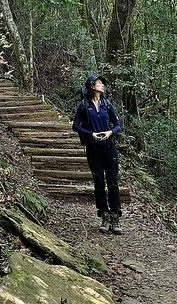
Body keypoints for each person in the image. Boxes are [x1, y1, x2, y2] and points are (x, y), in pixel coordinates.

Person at [72, 74, 123, 234]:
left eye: (101, 83)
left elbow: (117, 125)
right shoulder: (83, 105)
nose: (102, 85)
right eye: (99, 83)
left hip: (109, 147)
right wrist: (90, 134)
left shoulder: (107, 104)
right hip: (93, 148)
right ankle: (104, 216)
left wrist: (110, 132)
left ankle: (115, 217)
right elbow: (75, 125)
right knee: (99, 182)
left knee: (113, 182)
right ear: (92, 87)